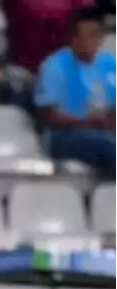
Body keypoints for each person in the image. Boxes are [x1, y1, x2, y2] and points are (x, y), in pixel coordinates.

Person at [35, 8, 117, 173]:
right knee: (108, 145)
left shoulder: (110, 64)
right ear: (71, 37)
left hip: (104, 132)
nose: (87, 41)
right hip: (62, 136)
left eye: (93, 35)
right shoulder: (54, 65)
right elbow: (46, 117)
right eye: (82, 36)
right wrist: (90, 122)